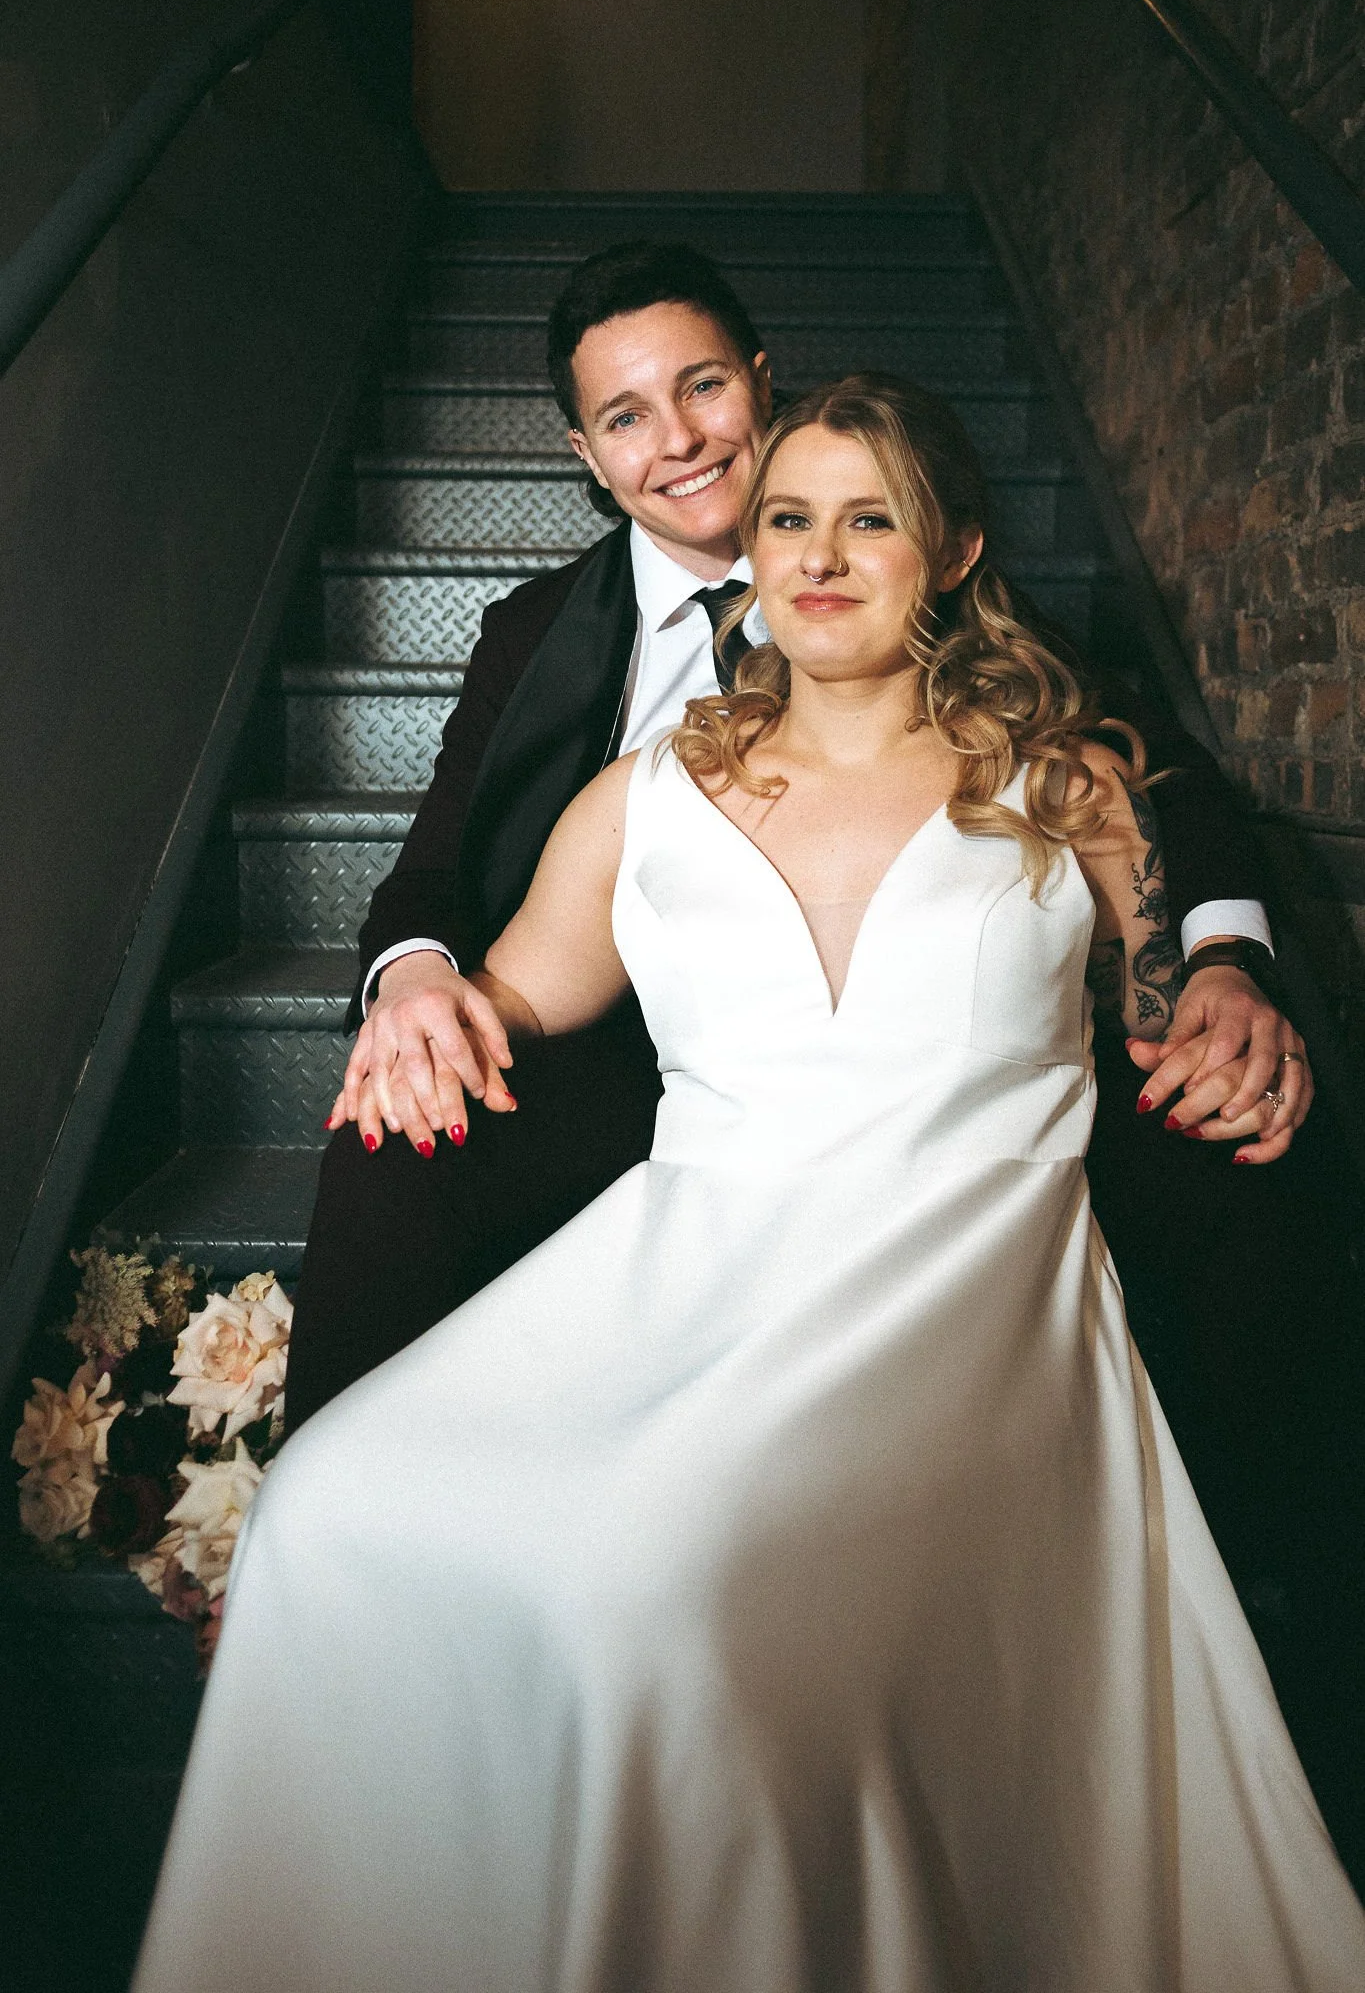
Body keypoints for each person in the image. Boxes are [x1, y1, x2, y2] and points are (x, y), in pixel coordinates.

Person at [134, 379, 1361, 1991]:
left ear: (958, 551)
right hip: (686, 1261)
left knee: (672, 1587)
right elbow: (506, 999)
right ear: (752, 553)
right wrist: (425, 996)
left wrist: (1223, 985)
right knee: (332, 1505)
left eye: (873, 519)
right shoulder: (643, 798)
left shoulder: (1063, 783)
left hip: (961, 1281)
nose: (823, 555)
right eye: (791, 518)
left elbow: (1180, 963)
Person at [281, 242, 1310, 1438]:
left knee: (1235, 1129)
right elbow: (437, 863)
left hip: (947, 1084)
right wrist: (416, 982)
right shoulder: (535, 637)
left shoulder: (932, 596)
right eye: (626, 415)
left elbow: (1145, 781)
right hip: (630, 1059)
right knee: (391, 1130)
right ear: (586, 456)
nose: (678, 438)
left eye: (703, 386)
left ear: (763, 385)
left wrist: (1224, 960)